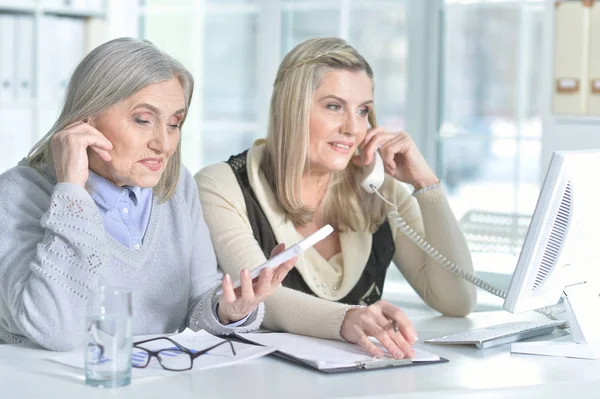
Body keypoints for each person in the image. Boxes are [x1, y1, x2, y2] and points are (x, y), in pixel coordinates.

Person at [0, 38, 294, 351]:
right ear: (86, 119)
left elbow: (196, 301)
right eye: (143, 120)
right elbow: (56, 329)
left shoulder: (178, 186)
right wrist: (71, 192)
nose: (164, 144)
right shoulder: (18, 194)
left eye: (174, 123)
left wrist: (229, 310)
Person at [195, 37, 477, 360]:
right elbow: (262, 298)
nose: (352, 128)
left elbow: (458, 299)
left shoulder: (381, 192)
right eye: (334, 106)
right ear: (292, 109)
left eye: (363, 112)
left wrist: (426, 184)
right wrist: (346, 319)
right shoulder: (222, 185)